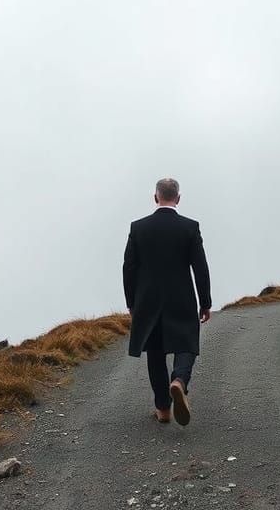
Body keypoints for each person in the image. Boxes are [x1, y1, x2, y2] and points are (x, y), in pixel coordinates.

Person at [123, 178, 212, 426]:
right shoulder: (190, 227)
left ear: (155, 197)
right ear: (178, 198)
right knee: (186, 344)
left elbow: (128, 268)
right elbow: (200, 268)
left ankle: (163, 408)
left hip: (147, 300)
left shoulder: (138, 228)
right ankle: (179, 380)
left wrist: (132, 302)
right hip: (181, 297)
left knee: (155, 352)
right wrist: (205, 302)